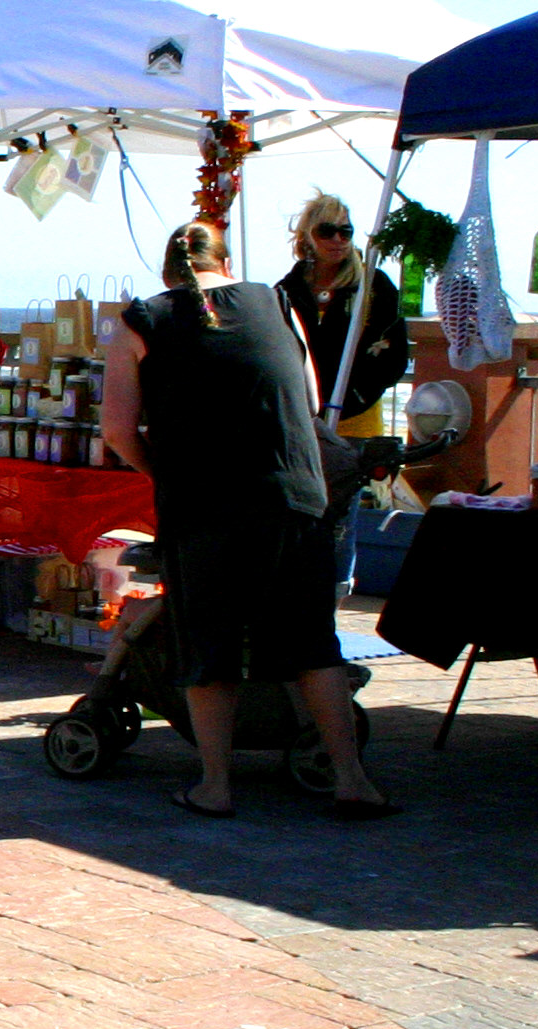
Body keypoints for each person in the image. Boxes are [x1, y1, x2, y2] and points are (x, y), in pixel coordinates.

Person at [99, 221, 393, 821]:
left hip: (203, 503)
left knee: (211, 646)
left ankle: (215, 785)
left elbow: (117, 432)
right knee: (315, 643)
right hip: (292, 495)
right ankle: (352, 779)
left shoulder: (140, 322)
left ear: (167, 272)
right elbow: (308, 399)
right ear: (225, 264)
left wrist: (161, 470)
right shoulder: (277, 301)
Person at [275, 191, 408, 582]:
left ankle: (332, 593)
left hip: (354, 419)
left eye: (345, 231)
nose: (337, 240)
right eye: (327, 231)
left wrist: (350, 401)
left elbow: (392, 357)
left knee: (341, 519)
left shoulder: (372, 286)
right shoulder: (287, 290)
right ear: (308, 237)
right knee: (301, 511)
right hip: (304, 420)